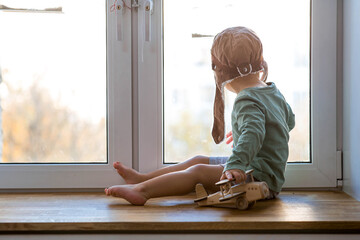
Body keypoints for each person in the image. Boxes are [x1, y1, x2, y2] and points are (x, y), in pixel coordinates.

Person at [105, 26, 295, 205]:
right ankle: (143, 179)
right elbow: (288, 121)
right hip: (266, 172)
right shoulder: (273, 91)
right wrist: (247, 130)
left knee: (197, 172)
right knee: (198, 159)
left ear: (221, 72)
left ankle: (143, 191)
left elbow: (253, 134)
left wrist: (242, 151)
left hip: (256, 177)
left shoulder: (246, 99)